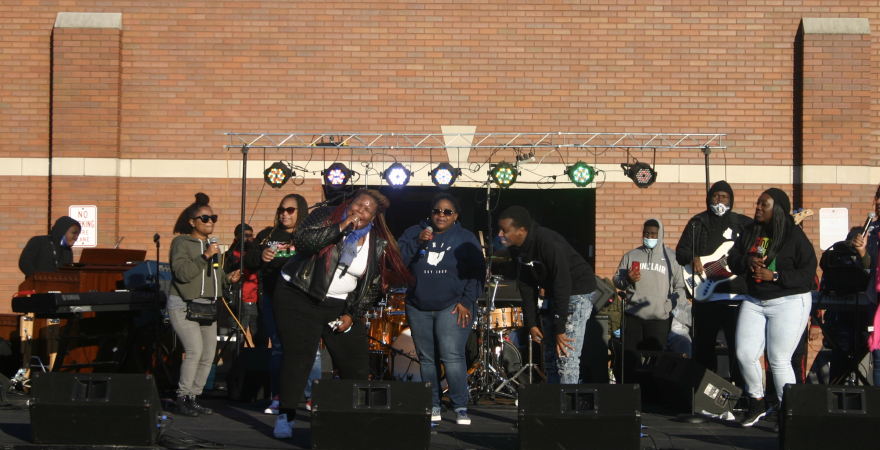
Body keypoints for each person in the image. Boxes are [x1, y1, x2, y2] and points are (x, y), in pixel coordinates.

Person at [271, 189, 411, 439]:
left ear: (374, 218)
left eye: (367, 210)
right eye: (358, 205)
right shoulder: (326, 216)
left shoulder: (376, 243)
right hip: (300, 294)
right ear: (351, 203)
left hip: (338, 304)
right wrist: (340, 226)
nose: (360, 211)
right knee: (300, 358)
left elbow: (373, 284)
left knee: (355, 361)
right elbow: (304, 243)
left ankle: (356, 418)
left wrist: (352, 313)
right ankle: (286, 416)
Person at [727, 188, 816, 427]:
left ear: (776, 209)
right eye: (757, 203)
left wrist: (775, 276)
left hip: (789, 301)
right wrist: (747, 261)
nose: (757, 207)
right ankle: (757, 403)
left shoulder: (794, 236)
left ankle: (788, 412)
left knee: (779, 359)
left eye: (763, 204)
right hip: (755, 300)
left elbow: (808, 273)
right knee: (745, 354)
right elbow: (732, 260)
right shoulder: (750, 231)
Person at [398, 193, 486, 425]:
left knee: (452, 356)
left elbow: (478, 273)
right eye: (437, 210)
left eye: (447, 212)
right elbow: (397, 261)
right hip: (418, 306)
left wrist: (467, 301)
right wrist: (418, 242)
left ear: (455, 216)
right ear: (431, 213)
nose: (441, 215)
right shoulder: (413, 233)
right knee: (427, 358)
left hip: (453, 306)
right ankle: (433, 404)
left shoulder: (465, 237)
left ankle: (460, 407)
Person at [497, 206, 597, 384]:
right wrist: (532, 322)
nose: (500, 234)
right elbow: (526, 285)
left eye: (505, 230)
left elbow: (562, 283)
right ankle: (553, 404)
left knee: (566, 356)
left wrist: (560, 328)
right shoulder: (516, 248)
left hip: (577, 291)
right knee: (550, 357)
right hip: (554, 293)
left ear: (522, 230)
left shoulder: (548, 242)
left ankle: (567, 407)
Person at [168, 193, 241, 417]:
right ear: (192, 222)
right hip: (184, 304)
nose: (210, 222)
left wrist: (228, 278)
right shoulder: (182, 242)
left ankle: (193, 397)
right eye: (205, 218)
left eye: (213, 218)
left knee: (209, 354)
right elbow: (182, 274)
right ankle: (181, 397)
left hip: (207, 307)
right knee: (194, 350)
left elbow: (214, 278)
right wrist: (205, 256)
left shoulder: (212, 245)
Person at [243, 194, 316, 415]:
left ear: (300, 211)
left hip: (302, 298)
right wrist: (260, 256)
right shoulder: (267, 235)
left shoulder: (309, 236)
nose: (284, 213)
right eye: (282, 209)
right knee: (278, 348)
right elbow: (247, 261)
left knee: (310, 349)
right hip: (272, 296)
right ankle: (277, 396)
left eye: (290, 210)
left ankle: (313, 397)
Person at [675, 180, 753, 387]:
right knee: (703, 346)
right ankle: (705, 391)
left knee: (740, 347)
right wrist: (692, 257)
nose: (719, 201)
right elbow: (680, 251)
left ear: (731, 200)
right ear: (708, 198)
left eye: (724, 197)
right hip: (704, 295)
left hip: (737, 296)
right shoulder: (697, 222)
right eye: (715, 196)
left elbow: (756, 251)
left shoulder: (745, 224)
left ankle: (741, 392)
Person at [613, 218, 687, 383]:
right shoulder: (632, 255)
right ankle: (629, 394)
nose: (649, 236)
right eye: (646, 233)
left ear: (660, 234)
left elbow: (681, 288)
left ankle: (651, 396)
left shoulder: (672, 258)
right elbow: (617, 280)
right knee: (630, 358)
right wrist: (627, 280)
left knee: (655, 359)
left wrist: (667, 306)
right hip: (633, 315)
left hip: (659, 317)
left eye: (653, 233)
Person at [223, 223, 259, 340]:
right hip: (238, 303)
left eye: (251, 235)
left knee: (260, 338)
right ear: (237, 237)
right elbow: (223, 278)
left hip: (257, 303)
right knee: (237, 339)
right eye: (245, 235)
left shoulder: (257, 255)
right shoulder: (228, 256)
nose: (249, 238)